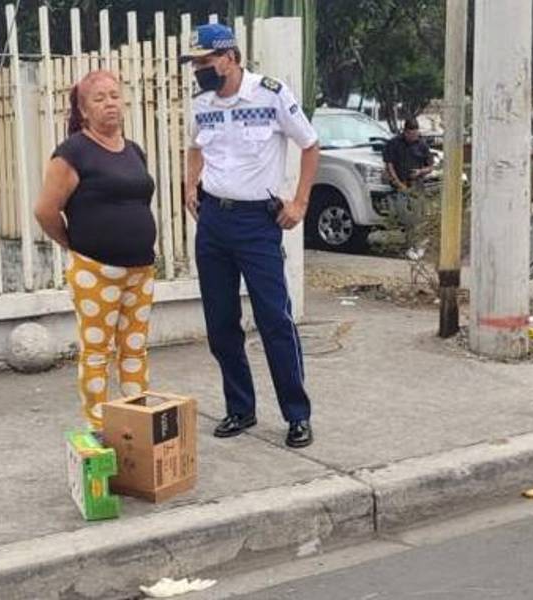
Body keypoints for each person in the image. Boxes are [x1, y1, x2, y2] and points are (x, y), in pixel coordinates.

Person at [181, 23, 321, 448]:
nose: (200, 70)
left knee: (274, 319)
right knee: (221, 323)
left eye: (206, 61)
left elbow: (310, 145)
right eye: (196, 63)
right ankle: (240, 408)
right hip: (213, 224)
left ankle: (297, 415)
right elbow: (195, 146)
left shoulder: (271, 94)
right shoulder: (201, 102)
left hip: (258, 224)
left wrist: (299, 204)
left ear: (230, 57)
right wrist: (190, 185)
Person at [35, 70, 157, 431]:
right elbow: (45, 210)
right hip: (96, 271)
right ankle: (98, 426)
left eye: (114, 96)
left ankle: (137, 423)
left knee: (135, 351)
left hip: (140, 271)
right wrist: (76, 245)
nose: (110, 104)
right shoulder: (73, 152)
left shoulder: (134, 150)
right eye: (99, 98)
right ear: (83, 111)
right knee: (98, 353)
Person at [383, 118, 434, 191]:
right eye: (411, 135)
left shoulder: (422, 145)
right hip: (397, 185)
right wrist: (398, 183)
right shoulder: (393, 143)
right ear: (405, 132)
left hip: (416, 186)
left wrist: (420, 171)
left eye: (416, 134)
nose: (414, 137)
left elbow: (430, 167)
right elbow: (389, 165)